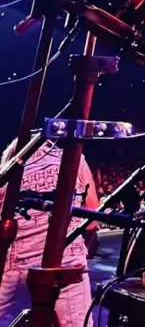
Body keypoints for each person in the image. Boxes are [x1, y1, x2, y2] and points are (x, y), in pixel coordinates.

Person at [0, 137, 99, 327]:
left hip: (13, 261)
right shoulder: (74, 160)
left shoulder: (7, 170)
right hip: (64, 261)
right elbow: (91, 221)